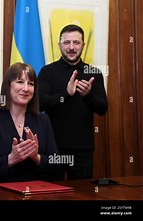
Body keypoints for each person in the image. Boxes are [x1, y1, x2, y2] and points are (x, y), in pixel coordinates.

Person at [38, 24, 108, 180]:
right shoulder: (47, 72)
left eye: (76, 43)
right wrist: (66, 95)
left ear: (83, 45)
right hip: (52, 147)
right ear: (59, 45)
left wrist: (87, 95)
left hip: (82, 150)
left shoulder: (94, 73)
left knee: (83, 195)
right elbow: (39, 103)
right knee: (49, 194)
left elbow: (103, 108)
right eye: (66, 42)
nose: (71, 47)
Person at [0, 62, 58, 185]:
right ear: (8, 86)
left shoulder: (43, 120)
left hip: (37, 193)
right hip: (0, 194)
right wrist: (10, 159)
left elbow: (56, 168)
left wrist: (36, 157)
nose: (26, 88)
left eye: (31, 84)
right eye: (20, 82)